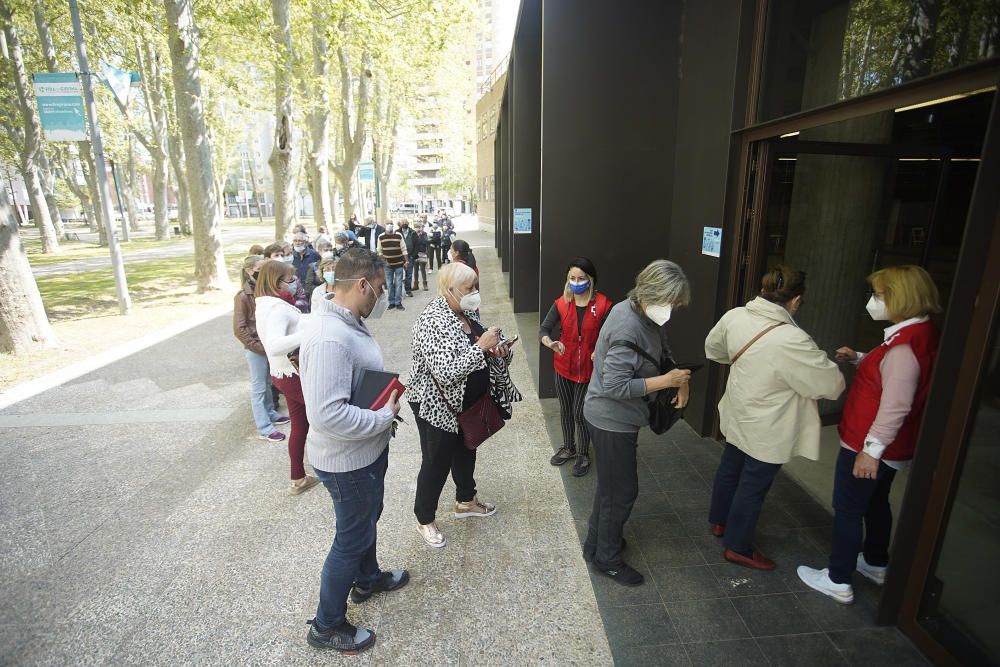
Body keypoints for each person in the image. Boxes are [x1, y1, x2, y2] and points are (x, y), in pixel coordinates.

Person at [797, 265, 941, 604]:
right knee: (876, 502)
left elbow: (896, 404)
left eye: (879, 295)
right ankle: (875, 561)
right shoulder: (921, 334)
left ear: (901, 298)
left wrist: (870, 450)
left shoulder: (904, 348)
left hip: (869, 445)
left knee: (848, 508)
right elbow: (893, 377)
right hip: (894, 447)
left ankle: (837, 578)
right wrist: (862, 358)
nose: (873, 302)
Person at [300, 248, 408, 654]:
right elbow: (328, 416)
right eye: (379, 289)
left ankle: (367, 579)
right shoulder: (329, 337)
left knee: (365, 521)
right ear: (361, 284)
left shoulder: (346, 320)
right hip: (347, 463)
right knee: (350, 538)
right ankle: (326, 625)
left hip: (363, 456)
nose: (381, 296)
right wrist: (382, 418)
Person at [705, 266, 844, 570]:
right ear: (795, 301)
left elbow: (714, 350)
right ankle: (738, 546)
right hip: (770, 424)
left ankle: (720, 522)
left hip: (739, 409)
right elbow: (832, 386)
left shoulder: (735, 316)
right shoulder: (793, 339)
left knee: (731, 467)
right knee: (753, 484)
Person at [582, 260, 693, 586]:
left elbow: (660, 349)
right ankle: (608, 559)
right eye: (670, 302)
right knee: (622, 492)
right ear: (651, 293)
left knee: (610, 487)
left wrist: (679, 379)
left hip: (615, 419)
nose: (672, 309)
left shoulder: (639, 313)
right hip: (610, 420)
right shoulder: (629, 325)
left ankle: (598, 543)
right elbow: (615, 386)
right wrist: (665, 381)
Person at [405, 263, 522, 548]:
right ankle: (424, 518)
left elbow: (475, 349)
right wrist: (481, 346)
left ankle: (466, 501)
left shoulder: (465, 311)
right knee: (437, 460)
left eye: (476, 286)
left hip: (464, 404)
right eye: (469, 288)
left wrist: (497, 350)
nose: (475, 293)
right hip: (435, 404)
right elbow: (446, 371)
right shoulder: (434, 319)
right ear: (449, 290)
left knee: (466, 447)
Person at [540, 258, 613, 476]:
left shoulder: (602, 305)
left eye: (581, 278)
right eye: (572, 278)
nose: (576, 282)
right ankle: (568, 447)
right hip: (564, 366)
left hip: (588, 370)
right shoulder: (562, 303)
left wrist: (599, 351)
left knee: (580, 413)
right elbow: (544, 329)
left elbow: (612, 335)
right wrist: (549, 342)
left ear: (590, 280)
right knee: (565, 410)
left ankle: (582, 453)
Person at [255, 259, 319, 495]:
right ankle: (329, 470)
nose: (294, 284)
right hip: (291, 373)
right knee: (324, 415)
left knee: (300, 424)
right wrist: (307, 332)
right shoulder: (276, 309)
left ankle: (298, 477)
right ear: (276, 281)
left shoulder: (267, 304)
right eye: (290, 280)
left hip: (283, 373)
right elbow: (274, 345)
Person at [233, 254, 289, 443]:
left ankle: (271, 413)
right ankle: (264, 428)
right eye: (259, 269)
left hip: (266, 346)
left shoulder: (262, 292)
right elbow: (240, 329)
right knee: (258, 387)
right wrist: (258, 347)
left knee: (267, 383)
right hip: (256, 349)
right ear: (249, 271)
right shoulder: (242, 296)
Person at [264, 241, 309, 312]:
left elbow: (303, 301)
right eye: (287, 254)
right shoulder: (265, 278)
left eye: (291, 253)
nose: (290, 257)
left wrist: (292, 303)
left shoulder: (293, 277)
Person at [377, 221, 407, 311]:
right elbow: (379, 250)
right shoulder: (381, 237)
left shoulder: (399, 235)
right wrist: (383, 261)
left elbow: (404, 249)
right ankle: (391, 302)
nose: (389, 225)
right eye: (387, 223)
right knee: (389, 284)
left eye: (390, 223)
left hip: (399, 264)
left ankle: (398, 302)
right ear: (385, 225)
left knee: (398, 284)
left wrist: (406, 261)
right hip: (387, 265)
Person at [399, 219, 416, 297]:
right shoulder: (397, 232)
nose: (404, 223)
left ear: (408, 223)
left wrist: (413, 255)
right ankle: (399, 292)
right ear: (400, 224)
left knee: (408, 274)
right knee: (399, 274)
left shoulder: (413, 232)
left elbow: (416, 245)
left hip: (410, 257)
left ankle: (408, 290)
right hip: (399, 257)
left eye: (406, 222)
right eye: (403, 222)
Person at [411, 222, 429, 291]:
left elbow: (425, 242)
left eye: (419, 227)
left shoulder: (424, 234)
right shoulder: (413, 234)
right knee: (415, 270)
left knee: (422, 269)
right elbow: (412, 242)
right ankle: (416, 284)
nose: (418, 228)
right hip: (415, 254)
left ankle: (425, 284)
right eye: (416, 227)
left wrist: (420, 236)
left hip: (422, 253)